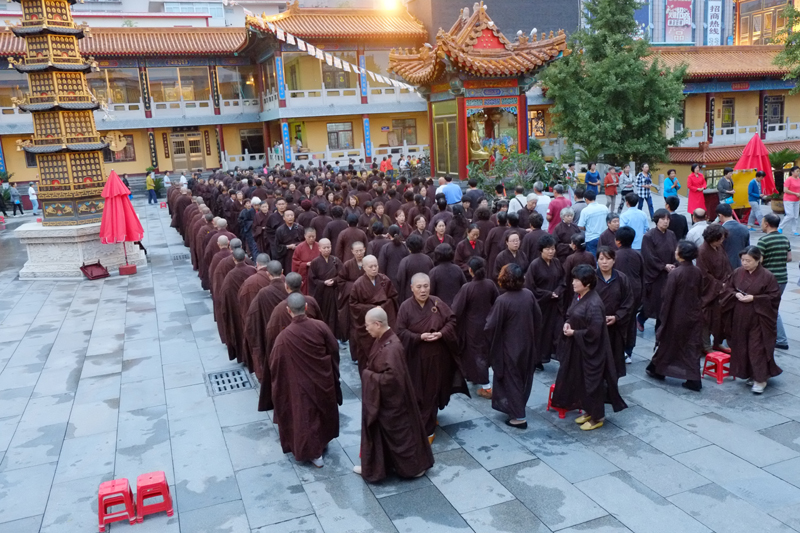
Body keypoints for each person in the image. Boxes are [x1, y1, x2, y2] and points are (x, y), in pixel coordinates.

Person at [355, 306, 433, 482]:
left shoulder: (392, 347)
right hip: (384, 400)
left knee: (401, 437)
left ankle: (414, 468)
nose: (365, 328)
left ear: (377, 324)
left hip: (393, 403)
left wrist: (368, 376)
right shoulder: (384, 339)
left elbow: (392, 379)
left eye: (367, 325)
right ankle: (377, 465)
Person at [270, 293, 342, 468]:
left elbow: (276, 365)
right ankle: (322, 442)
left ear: (288, 311)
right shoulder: (320, 326)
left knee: (307, 417)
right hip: (322, 379)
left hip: (300, 385)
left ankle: (314, 453)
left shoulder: (283, 337)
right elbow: (334, 349)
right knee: (321, 412)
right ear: (307, 307)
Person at [552, 265, 627, 430]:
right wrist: (567, 323)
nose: (573, 283)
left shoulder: (594, 304)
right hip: (579, 348)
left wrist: (574, 332)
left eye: (576, 280)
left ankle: (597, 416)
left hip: (593, 351)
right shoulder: (579, 296)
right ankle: (588, 411)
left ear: (586, 284)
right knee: (581, 382)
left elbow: (594, 332)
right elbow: (571, 314)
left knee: (593, 383)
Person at [396, 273, 466, 442]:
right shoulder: (405, 307)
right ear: (411, 288)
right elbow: (400, 332)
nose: (423, 290)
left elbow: (452, 321)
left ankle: (428, 430)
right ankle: (425, 418)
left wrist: (441, 333)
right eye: (419, 287)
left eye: (426, 286)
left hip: (437, 358)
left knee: (432, 392)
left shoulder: (437, 302)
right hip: (415, 359)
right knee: (418, 393)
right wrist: (419, 337)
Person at [485, 264, 541, 429]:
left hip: (510, 347)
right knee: (523, 379)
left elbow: (490, 326)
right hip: (528, 345)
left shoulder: (503, 300)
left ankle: (519, 417)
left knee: (512, 380)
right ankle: (517, 408)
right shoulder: (528, 295)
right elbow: (538, 318)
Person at [647, 241, 705, 391]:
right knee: (690, 347)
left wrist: (663, 318)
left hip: (676, 315)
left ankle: (660, 370)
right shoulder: (697, 271)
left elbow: (667, 298)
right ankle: (663, 370)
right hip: (693, 314)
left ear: (680, 254)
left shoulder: (676, 273)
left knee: (669, 343)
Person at [452, 257, 498, 397]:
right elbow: (497, 301)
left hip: (472, 327)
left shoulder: (468, 288)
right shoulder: (490, 284)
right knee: (480, 353)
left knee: (478, 355)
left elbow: (456, 309)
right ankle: (474, 377)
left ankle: (486, 386)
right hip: (487, 323)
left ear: (470, 270)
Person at [349, 255, 399, 372]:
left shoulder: (384, 280)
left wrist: (382, 307)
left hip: (384, 317)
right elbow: (353, 305)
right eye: (370, 266)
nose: (374, 269)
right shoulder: (358, 284)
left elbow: (393, 297)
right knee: (367, 353)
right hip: (368, 323)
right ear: (364, 268)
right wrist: (372, 309)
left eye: (376, 265)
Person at [524, 234, 565, 370]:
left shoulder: (557, 263)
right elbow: (531, 287)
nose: (551, 251)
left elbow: (562, 280)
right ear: (541, 250)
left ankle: (559, 356)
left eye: (553, 248)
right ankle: (537, 359)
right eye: (547, 249)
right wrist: (548, 294)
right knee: (540, 333)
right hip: (541, 305)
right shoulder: (535, 265)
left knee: (558, 331)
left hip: (555, 304)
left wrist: (558, 291)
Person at [245, 260, 287, 391]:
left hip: (270, 332)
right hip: (290, 331)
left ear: (268, 274)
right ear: (282, 272)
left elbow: (252, 316)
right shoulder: (289, 285)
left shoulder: (263, 293)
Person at [595, 247, 634, 377]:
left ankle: (611, 387)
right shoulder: (591, 278)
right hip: (594, 325)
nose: (604, 262)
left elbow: (628, 302)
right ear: (597, 261)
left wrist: (617, 317)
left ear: (614, 260)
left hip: (615, 327)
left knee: (613, 357)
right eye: (601, 259)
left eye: (608, 259)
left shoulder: (622, 278)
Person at [637, 209, 677, 331]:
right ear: (656, 220)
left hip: (669, 273)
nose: (665, 222)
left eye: (667, 219)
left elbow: (676, 251)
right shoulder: (649, 236)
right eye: (663, 219)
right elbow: (649, 256)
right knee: (653, 301)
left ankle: (660, 327)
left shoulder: (671, 234)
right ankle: (641, 318)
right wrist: (663, 266)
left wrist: (674, 264)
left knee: (666, 300)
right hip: (655, 274)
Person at [697, 224, 733, 354]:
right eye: (719, 239)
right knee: (706, 319)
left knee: (720, 319)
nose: (721, 241)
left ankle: (717, 343)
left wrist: (728, 280)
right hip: (709, 291)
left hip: (721, 289)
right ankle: (705, 346)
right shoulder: (702, 251)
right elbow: (704, 274)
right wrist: (718, 285)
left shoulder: (720, 247)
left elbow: (726, 265)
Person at [758, 213, 792, 350]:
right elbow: (789, 258)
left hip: (769, 280)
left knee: (771, 309)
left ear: (766, 224)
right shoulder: (784, 239)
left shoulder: (763, 241)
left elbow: (758, 262)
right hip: (783, 278)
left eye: (762, 222)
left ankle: (781, 339)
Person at [218, 248, 257, 363]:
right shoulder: (253, 270)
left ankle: (245, 357)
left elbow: (224, 295)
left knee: (241, 332)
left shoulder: (229, 277)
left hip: (237, 309)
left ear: (234, 259)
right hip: (252, 305)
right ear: (245, 258)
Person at [613, 227, 643, 364]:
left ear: (618, 242)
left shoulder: (615, 256)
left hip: (619, 292)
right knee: (631, 321)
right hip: (636, 291)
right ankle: (628, 351)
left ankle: (618, 350)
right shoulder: (638, 255)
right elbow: (643, 274)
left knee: (618, 321)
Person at [308, 238, 342, 338]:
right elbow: (312, 279)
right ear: (319, 248)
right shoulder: (315, 262)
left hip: (334, 292)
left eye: (329, 247)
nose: (327, 249)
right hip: (322, 295)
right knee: (323, 315)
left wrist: (335, 281)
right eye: (325, 247)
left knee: (334, 316)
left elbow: (343, 275)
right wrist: (323, 283)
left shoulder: (336, 260)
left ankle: (335, 336)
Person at [337, 241, 366, 349]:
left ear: (364, 249)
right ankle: (355, 353)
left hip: (367, 299)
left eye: (361, 250)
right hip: (352, 299)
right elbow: (341, 281)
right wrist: (355, 286)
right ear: (352, 252)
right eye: (356, 251)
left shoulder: (369, 263)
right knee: (353, 326)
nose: (359, 253)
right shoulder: (348, 264)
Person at [395, 234, 434, 302]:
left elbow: (400, 278)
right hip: (426, 292)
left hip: (410, 294)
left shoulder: (405, 261)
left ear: (409, 247)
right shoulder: (428, 259)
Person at [716, 203, 750, 269]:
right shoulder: (744, 228)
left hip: (725, 266)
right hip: (742, 265)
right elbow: (747, 248)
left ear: (720, 216)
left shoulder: (721, 230)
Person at [576, 190, 609, 256]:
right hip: (604, 236)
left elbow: (580, 226)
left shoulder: (585, 211)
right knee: (604, 256)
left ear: (586, 199)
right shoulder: (604, 208)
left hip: (591, 238)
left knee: (593, 258)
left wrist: (586, 228)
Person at [273, 209, 304, 275]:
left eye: (291, 215)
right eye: (288, 216)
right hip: (286, 255)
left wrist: (297, 245)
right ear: (284, 218)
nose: (290, 217)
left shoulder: (299, 228)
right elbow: (277, 246)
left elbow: (304, 241)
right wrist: (288, 247)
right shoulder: (280, 230)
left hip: (298, 254)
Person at [291, 227, 320, 295]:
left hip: (317, 275)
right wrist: (305, 264)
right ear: (305, 236)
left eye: (313, 236)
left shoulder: (319, 246)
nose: (311, 239)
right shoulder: (299, 247)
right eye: (309, 237)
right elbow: (295, 261)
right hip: (304, 275)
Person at [780, 165, 800, 236]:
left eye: (798, 171)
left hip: (797, 200)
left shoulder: (798, 179)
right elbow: (785, 190)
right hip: (788, 199)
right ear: (792, 172)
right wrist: (795, 193)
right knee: (790, 215)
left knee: (795, 216)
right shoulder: (789, 179)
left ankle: (794, 230)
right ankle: (780, 227)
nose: (798, 173)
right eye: (797, 171)